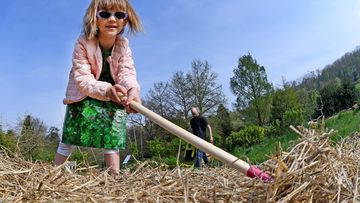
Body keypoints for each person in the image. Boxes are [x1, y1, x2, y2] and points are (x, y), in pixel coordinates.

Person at [53, 0, 143, 175]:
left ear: (125, 20)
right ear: (94, 18)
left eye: (119, 15)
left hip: (114, 95)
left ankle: (114, 180)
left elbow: (126, 71)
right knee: (70, 136)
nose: (112, 19)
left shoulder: (123, 45)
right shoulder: (82, 42)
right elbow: (82, 77)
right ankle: (53, 174)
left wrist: (133, 90)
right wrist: (106, 90)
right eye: (104, 14)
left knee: (112, 136)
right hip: (84, 94)